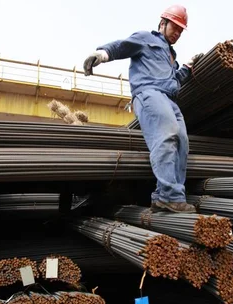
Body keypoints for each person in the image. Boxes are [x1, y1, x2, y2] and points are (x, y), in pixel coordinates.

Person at [83, 5, 201, 213]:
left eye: (181, 31)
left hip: (169, 98)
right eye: (175, 27)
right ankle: (168, 195)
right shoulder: (147, 38)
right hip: (149, 93)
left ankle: (169, 196)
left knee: (182, 140)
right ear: (163, 23)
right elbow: (123, 46)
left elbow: (175, 80)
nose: (178, 33)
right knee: (167, 134)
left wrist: (188, 67)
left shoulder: (171, 55)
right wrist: (102, 54)